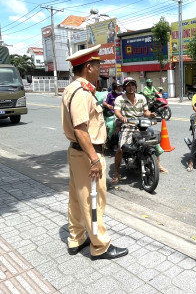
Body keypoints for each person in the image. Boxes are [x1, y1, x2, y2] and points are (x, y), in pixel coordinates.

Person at [61, 45, 128, 260]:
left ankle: (77, 238)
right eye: (98, 65)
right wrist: (94, 159)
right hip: (87, 154)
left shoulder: (74, 88)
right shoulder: (81, 92)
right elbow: (81, 129)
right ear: (88, 67)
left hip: (78, 153)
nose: (100, 69)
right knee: (93, 201)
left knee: (77, 198)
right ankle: (100, 246)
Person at [113, 77, 167, 183]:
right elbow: (117, 111)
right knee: (121, 148)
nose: (131, 87)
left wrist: (150, 114)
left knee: (153, 142)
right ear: (124, 87)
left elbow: (146, 111)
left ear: (136, 87)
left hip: (141, 124)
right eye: (128, 85)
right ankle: (116, 171)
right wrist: (121, 117)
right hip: (127, 124)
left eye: (133, 85)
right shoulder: (120, 99)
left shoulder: (141, 97)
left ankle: (158, 164)